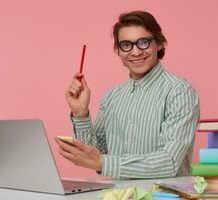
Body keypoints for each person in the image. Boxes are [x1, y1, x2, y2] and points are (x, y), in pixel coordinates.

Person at [56, 10, 200, 179]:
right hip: (119, 194)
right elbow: (96, 155)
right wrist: (81, 114)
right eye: (126, 45)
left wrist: (102, 162)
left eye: (143, 42)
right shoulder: (112, 96)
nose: (136, 52)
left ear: (159, 43)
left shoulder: (180, 92)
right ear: (118, 50)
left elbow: (169, 162)